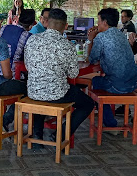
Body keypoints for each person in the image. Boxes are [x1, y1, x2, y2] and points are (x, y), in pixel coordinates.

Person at [23, 8, 95, 146]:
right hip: (57, 94)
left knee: (41, 94)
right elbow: (73, 74)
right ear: (66, 26)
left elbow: (28, 66)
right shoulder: (67, 45)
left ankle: (37, 136)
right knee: (88, 104)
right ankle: (60, 134)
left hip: (32, 91)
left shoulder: (32, 39)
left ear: (47, 23)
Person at [87, 8, 137, 126]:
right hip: (134, 82)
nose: (97, 24)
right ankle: (107, 116)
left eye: (98, 21)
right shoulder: (120, 34)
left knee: (96, 81)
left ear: (105, 22)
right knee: (104, 79)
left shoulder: (101, 37)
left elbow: (92, 59)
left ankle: (110, 122)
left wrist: (90, 40)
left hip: (119, 86)